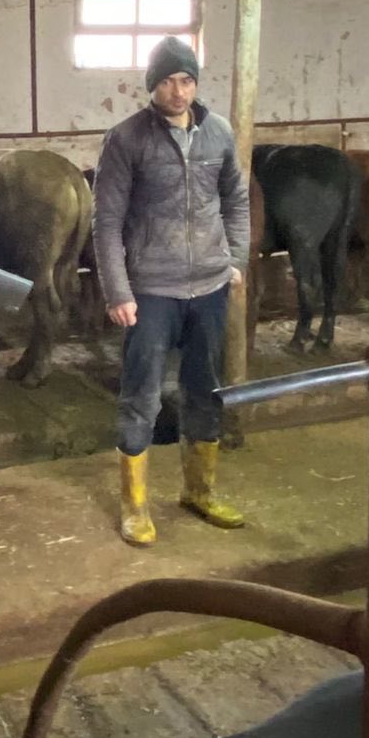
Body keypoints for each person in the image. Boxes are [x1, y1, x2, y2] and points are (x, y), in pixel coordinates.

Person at [92, 34, 250, 547]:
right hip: (152, 288)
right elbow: (106, 222)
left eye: (185, 80)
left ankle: (198, 492)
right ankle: (134, 504)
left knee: (206, 390)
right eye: (166, 81)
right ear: (151, 87)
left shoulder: (219, 133)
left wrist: (236, 259)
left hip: (209, 285)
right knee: (142, 395)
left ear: (196, 83)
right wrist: (118, 290)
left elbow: (236, 200)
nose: (177, 91)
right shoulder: (126, 139)